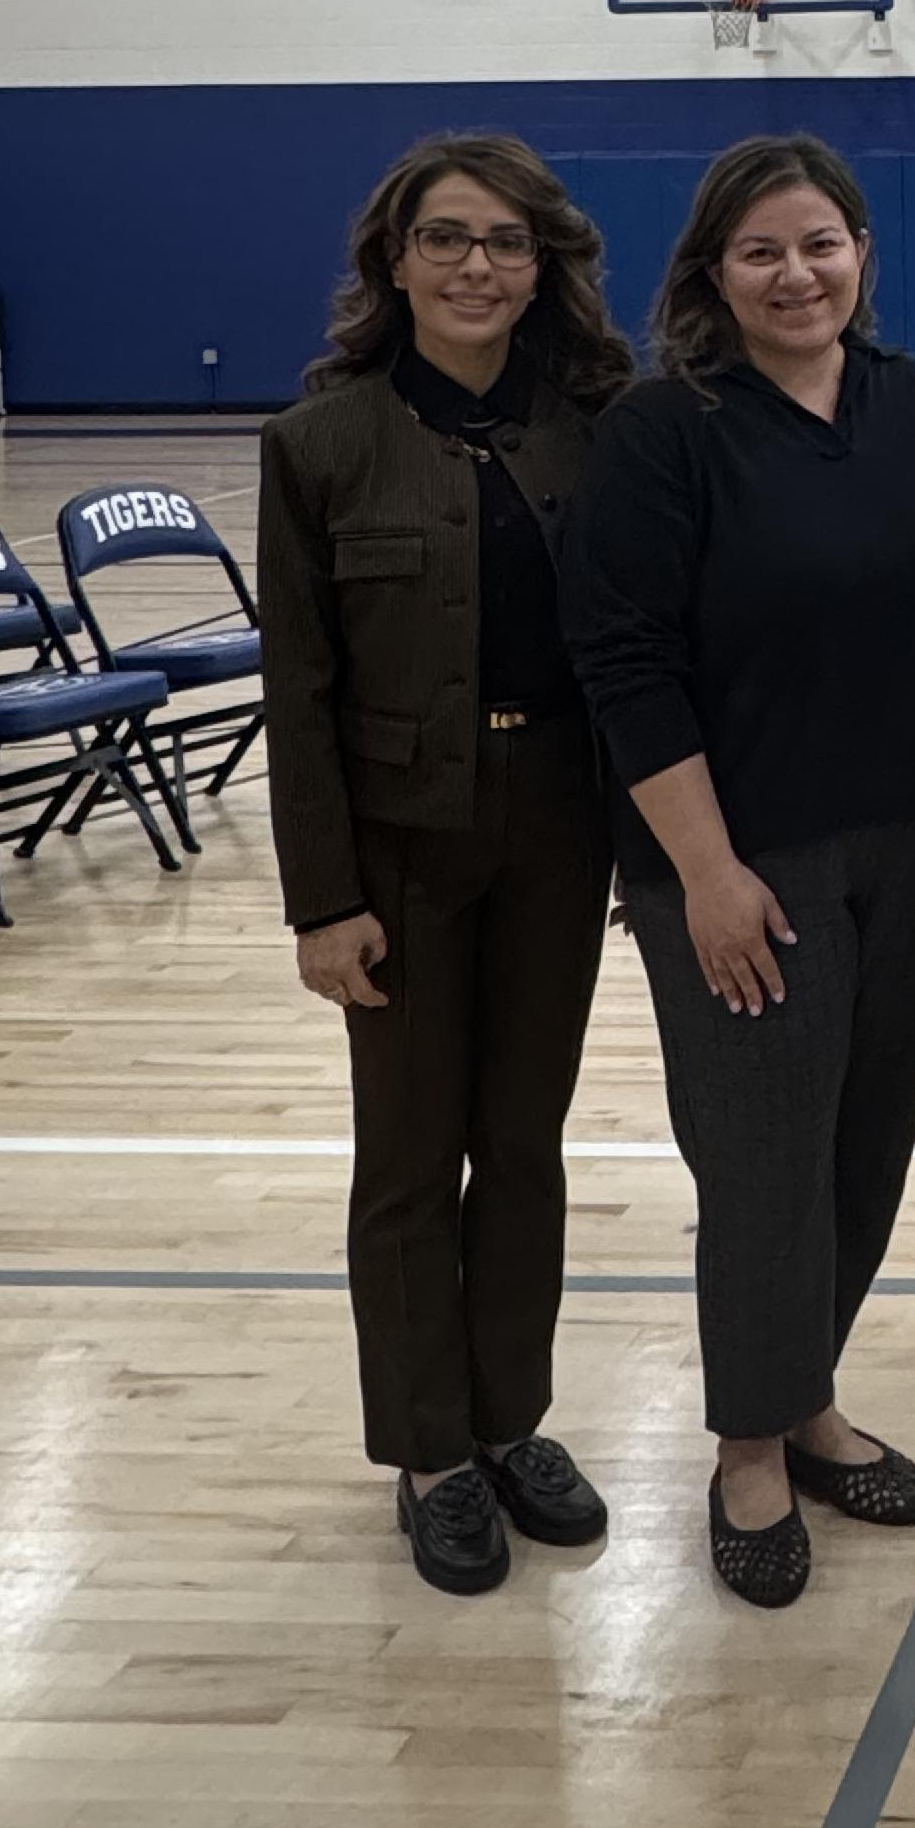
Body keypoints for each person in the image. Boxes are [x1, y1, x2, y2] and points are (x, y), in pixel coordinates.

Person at [560, 135, 915, 1609]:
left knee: (866, 1149)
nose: (796, 273)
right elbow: (623, 664)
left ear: (863, 253)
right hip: (740, 866)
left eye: (821, 242)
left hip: (912, 843)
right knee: (761, 1167)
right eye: (760, 250)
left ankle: (810, 1400)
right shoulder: (662, 431)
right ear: (712, 274)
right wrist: (703, 871)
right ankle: (750, 1451)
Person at [257, 135, 631, 1597]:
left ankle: (508, 1421)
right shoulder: (322, 442)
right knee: (411, 1160)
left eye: (509, 243)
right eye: (448, 238)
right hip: (400, 850)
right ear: (393, 260)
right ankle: (429, 1452)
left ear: (546, 268)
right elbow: (297, 690)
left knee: (524, 1146)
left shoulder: (599, 428)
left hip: (557, 823)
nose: (479, 266)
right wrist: (321, 897)